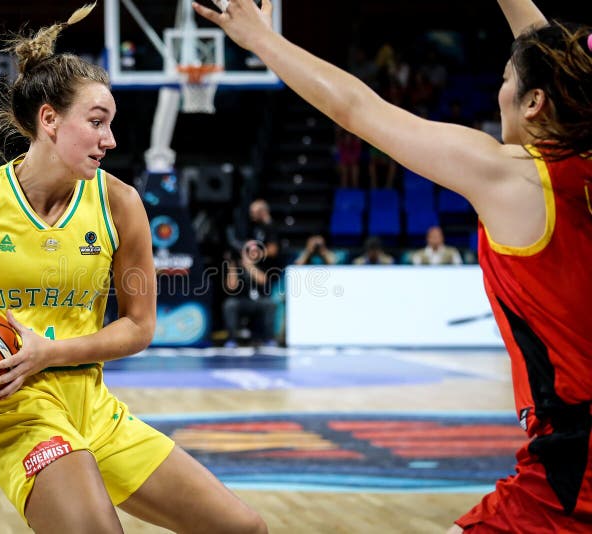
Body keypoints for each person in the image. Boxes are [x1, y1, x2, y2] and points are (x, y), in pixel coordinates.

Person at [193, 0, 592, 531]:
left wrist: (261, 39)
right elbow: (550, 54)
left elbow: (359, 110)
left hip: (574, 461)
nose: (500, 92)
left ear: (535, 102)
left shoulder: (513, 178)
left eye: (506, 79)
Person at [0, 5, 266, 534]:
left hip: (94, 405)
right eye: (96, 122)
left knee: (244, 530)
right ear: (48, 119)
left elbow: (139, 327)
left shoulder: (121, 203)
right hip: (17, 410)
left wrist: (52, 352)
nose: (110, 139)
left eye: (109, 124)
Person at [222, 239, 278, 347]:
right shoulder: (235, 265)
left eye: (255, 251)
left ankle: (269, 339)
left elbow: (263, 280)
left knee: (270, 304)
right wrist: (232, 265)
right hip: (241, 301)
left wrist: (248, 265)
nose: (253, 253)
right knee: (229, 304)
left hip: (259, 301)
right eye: (249, 251)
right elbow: (231, 286)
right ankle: (232, 340)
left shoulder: (263, 263)